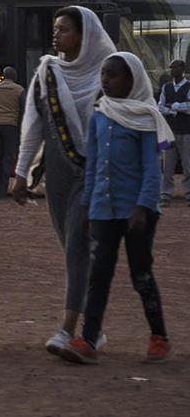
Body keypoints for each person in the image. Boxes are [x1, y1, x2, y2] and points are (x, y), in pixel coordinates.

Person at [10, 5, 115, 359]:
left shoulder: (109, 73)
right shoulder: (47, 72)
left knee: (77, 244)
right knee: (73, 246)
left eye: (65, 29)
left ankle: (67, 329)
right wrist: (21, 172)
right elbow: (33, 126)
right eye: (55, 29)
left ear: (85, 36)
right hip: (57, 173)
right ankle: (94, 328)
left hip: (96, 173)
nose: (56, 36)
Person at [66, 52, 172, 365]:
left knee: (140, 274)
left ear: (132, 80)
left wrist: (142, 206)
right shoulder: (99, 115)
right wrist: (87, 204)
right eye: (103, 76)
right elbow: (94, 164)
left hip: (137, 211)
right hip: (102, 207)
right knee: (99, 274)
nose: (105, 82)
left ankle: (159, 337)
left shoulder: (145, 117)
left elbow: (152, 169)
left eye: (112, 76)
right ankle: (88, 340)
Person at [0, 67, 25, 199]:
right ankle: (2, 191)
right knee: (7, 157)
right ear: (15, 77)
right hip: (10, 126)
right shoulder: (19, 90)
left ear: (3, 75)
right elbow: (23, 107)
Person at [159, 59, 190, 206]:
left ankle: (189, 193)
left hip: (186, 131)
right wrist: (178, 109)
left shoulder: (189, 86)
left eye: (175, 67)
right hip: (170, 131)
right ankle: (165, 194)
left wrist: (175, 106)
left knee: (187, 164)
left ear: (182, 69)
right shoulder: (167, 87)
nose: (172, 70)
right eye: (171, 67)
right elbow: (160, 107)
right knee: (168, 166)